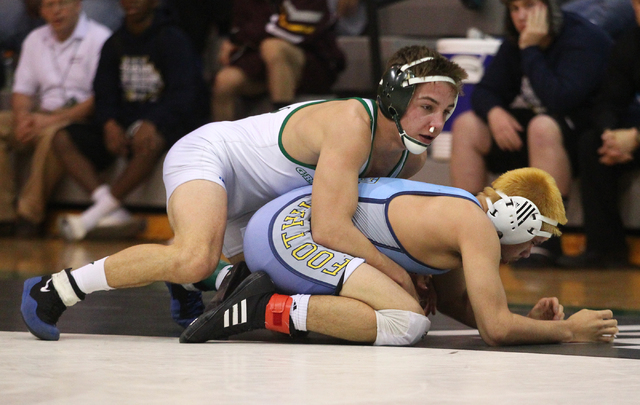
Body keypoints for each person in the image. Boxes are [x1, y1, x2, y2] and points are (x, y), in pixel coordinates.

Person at [21, 44, 467, 340]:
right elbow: (331, 227)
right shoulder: (353, 124)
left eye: (446, 111)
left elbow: (374, 227)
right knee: (194, 254)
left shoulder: (412, 155)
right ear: (392, 98)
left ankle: (195, 280)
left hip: (263, 205)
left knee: (280, 277)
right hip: (215, 158)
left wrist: (416, 270)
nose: (435, 124)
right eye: (426, 107)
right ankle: (55, 289)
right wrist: (401, 275)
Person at [181, 168, 618, 346]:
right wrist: (568, 330)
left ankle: (229, 282)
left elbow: (457, 303)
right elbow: (495, 328)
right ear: (518, 220)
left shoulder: (464, 214)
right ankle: (265, 307)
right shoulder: (476, 227)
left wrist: (538, 326)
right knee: (406, 322)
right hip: (291, 231)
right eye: (532, 241)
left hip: (284, 225)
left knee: (415, 311)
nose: (526, 253)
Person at [449, 0, 612, 267]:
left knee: (542, 127)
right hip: (540, 135)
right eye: (514, 9)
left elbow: (559, 99)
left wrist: (531, 49)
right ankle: (470, 231)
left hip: (586, 137)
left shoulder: (583, 39)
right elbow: (485, 91)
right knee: (467, 125)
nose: (522, 15)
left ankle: (544, 238)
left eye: (529, 5)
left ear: (550, 7)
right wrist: (494, 113)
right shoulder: (517, 42)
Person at [51, 0, 208, 241]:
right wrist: (109, 123)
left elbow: (185, 94)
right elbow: (103, 92)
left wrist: (153, 121)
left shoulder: (174, 38)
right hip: (124, 121)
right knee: (62, 137)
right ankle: (110, 208)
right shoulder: (114, 42)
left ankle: (92, 216)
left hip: (166, 122)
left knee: (149, 141)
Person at [0, 0, 111, 237]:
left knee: (56, 135)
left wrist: (48, 121)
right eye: (49, 5)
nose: (56, 11)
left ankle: (29, 215)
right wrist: (22, 118)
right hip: (40, 113)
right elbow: (22, 91)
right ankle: (3, 214)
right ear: (40, 11)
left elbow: (99, 99)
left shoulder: (100, 38)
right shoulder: (34, 39)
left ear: (78, 5)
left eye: (62, 3)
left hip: (79, 118)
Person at [557, 0, 640, 268]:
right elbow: (609, 100)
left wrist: (636, 138)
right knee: (592, 143)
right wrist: (610, 136)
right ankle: (606, 249)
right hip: (632, 136)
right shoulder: (630, 43)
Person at [211, 0, 345, 122]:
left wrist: (244, 38)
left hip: (311, 63)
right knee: (225, 80)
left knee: (273, 48)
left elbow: (295, 28)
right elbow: (239, 29)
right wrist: (239, 39)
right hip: (261, 60)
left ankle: (280, 132)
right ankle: (221, 144)